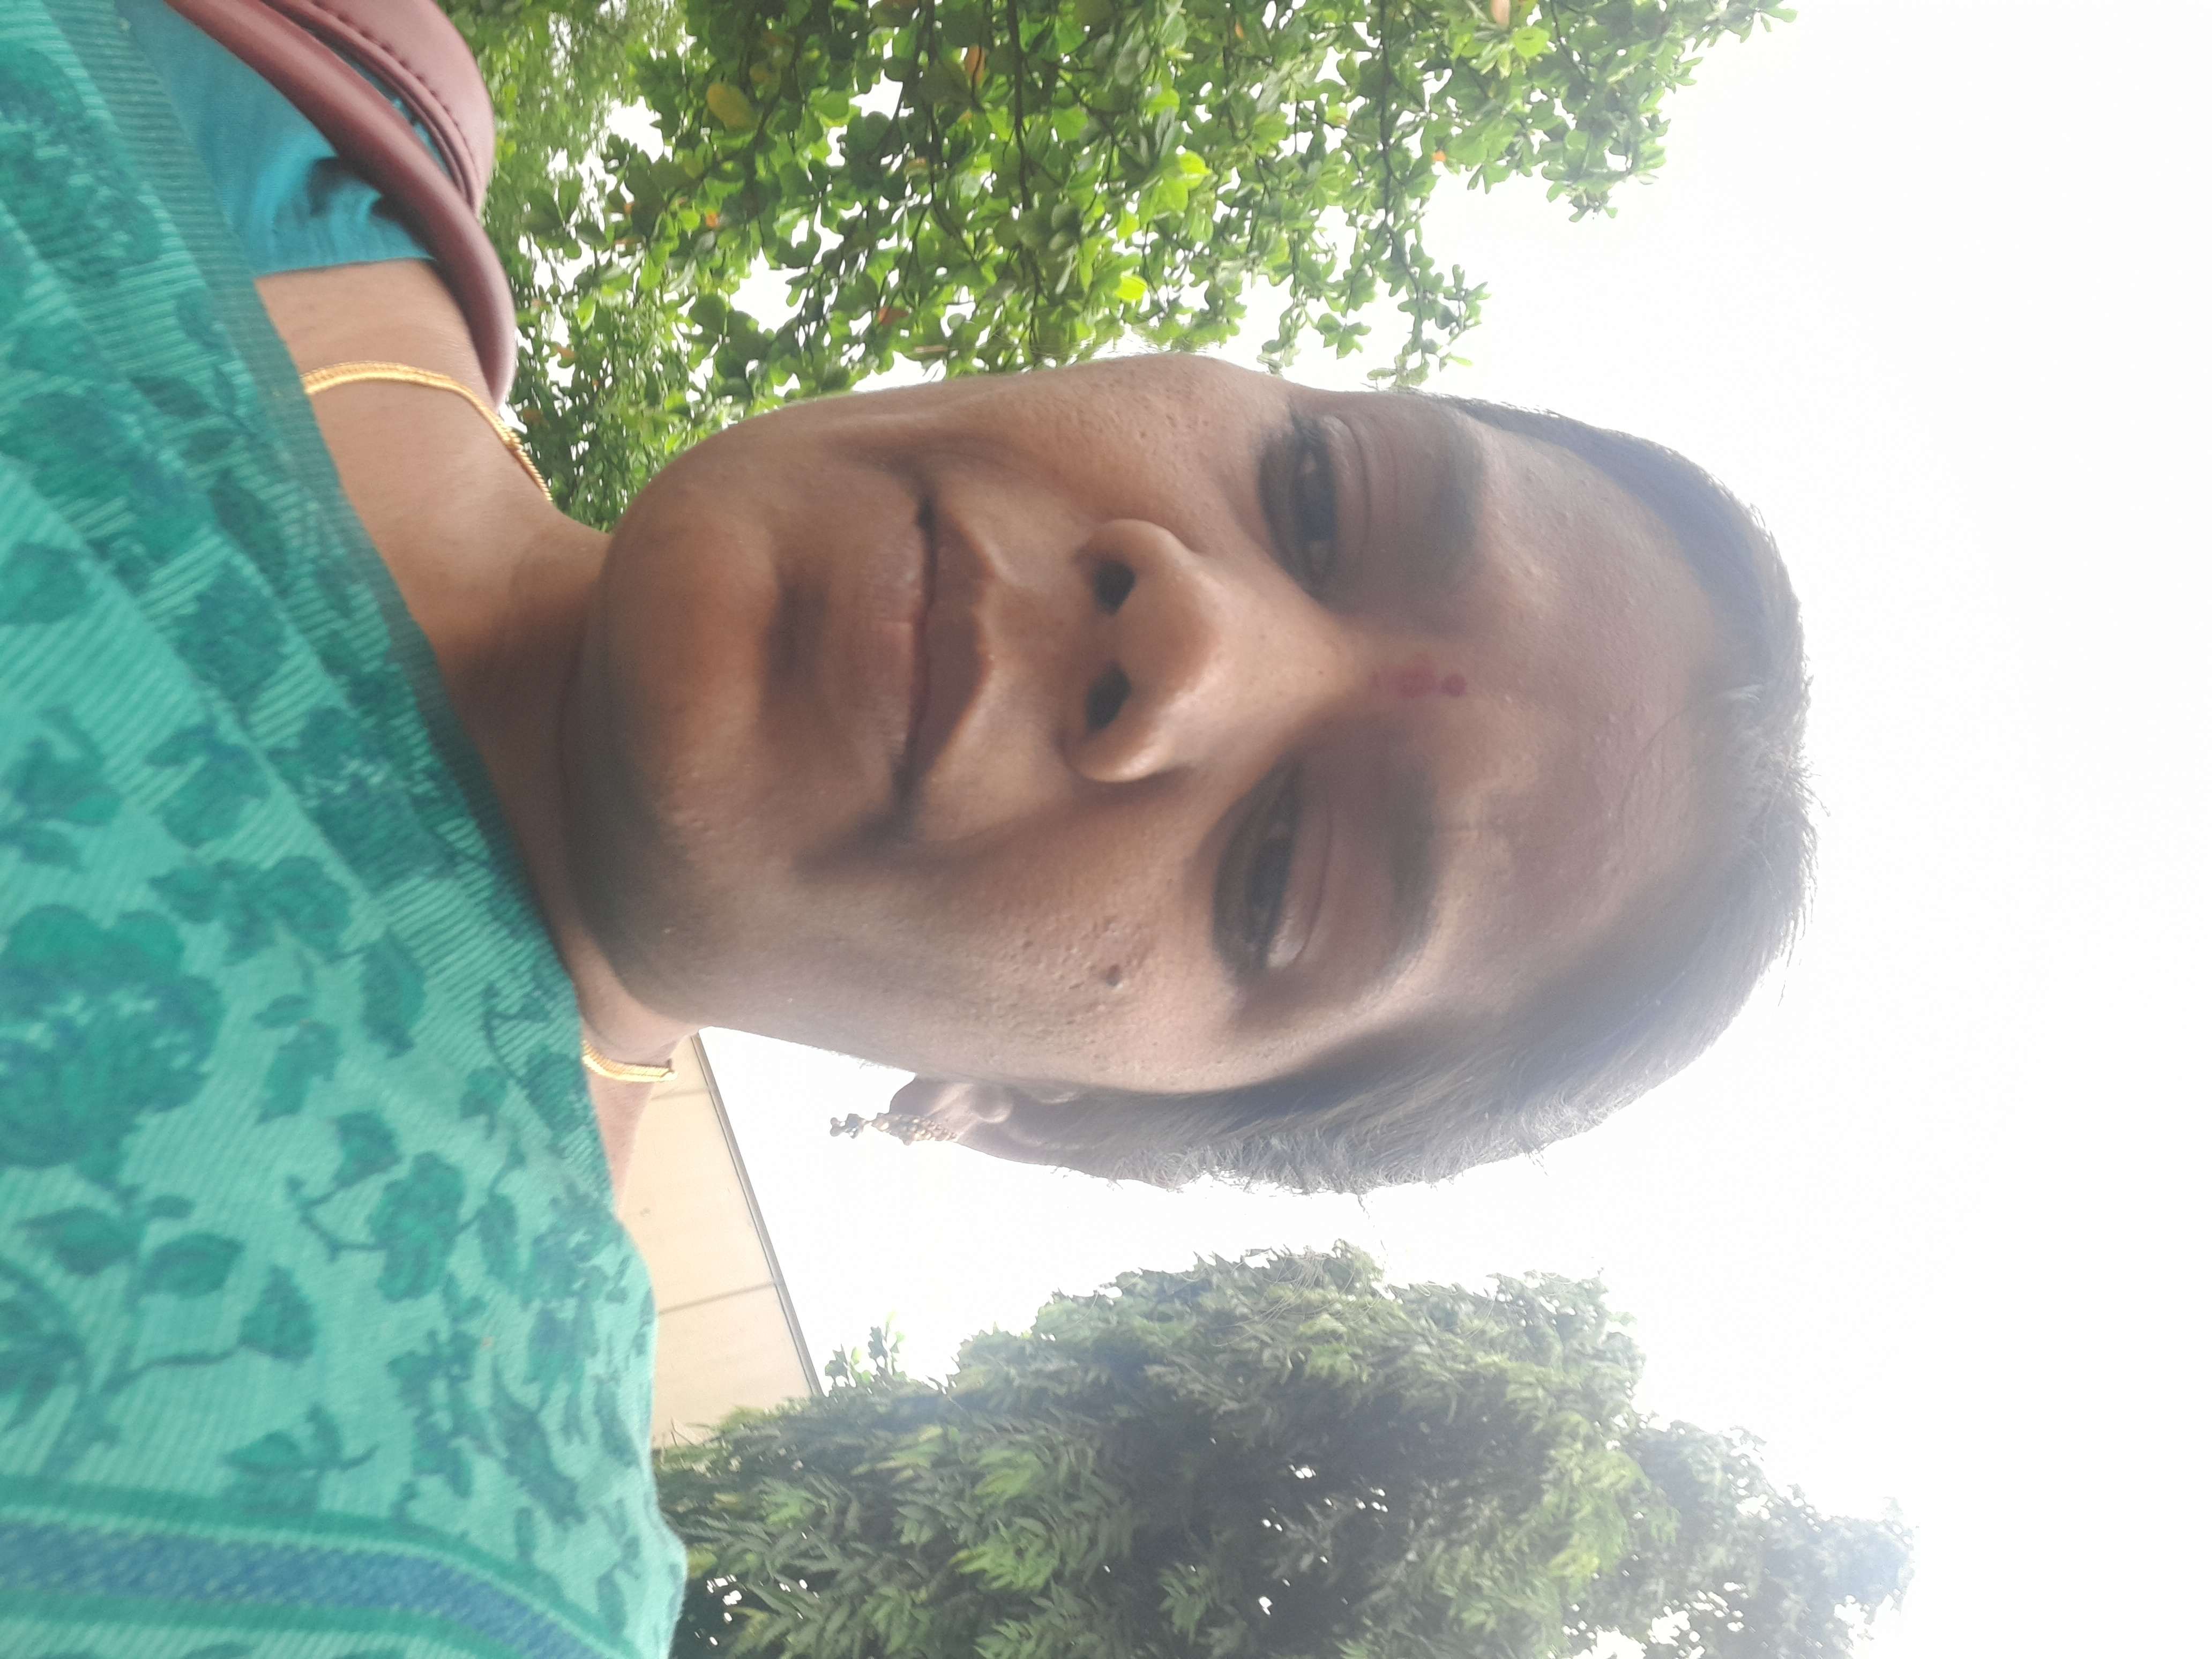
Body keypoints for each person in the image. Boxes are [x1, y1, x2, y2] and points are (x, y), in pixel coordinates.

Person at [0, 0, 1806, 1654]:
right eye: (1316, 492)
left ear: (1057, 1116)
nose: (1189, 637)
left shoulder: (421, 1515)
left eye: (1282, 880)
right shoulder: (345, 92)